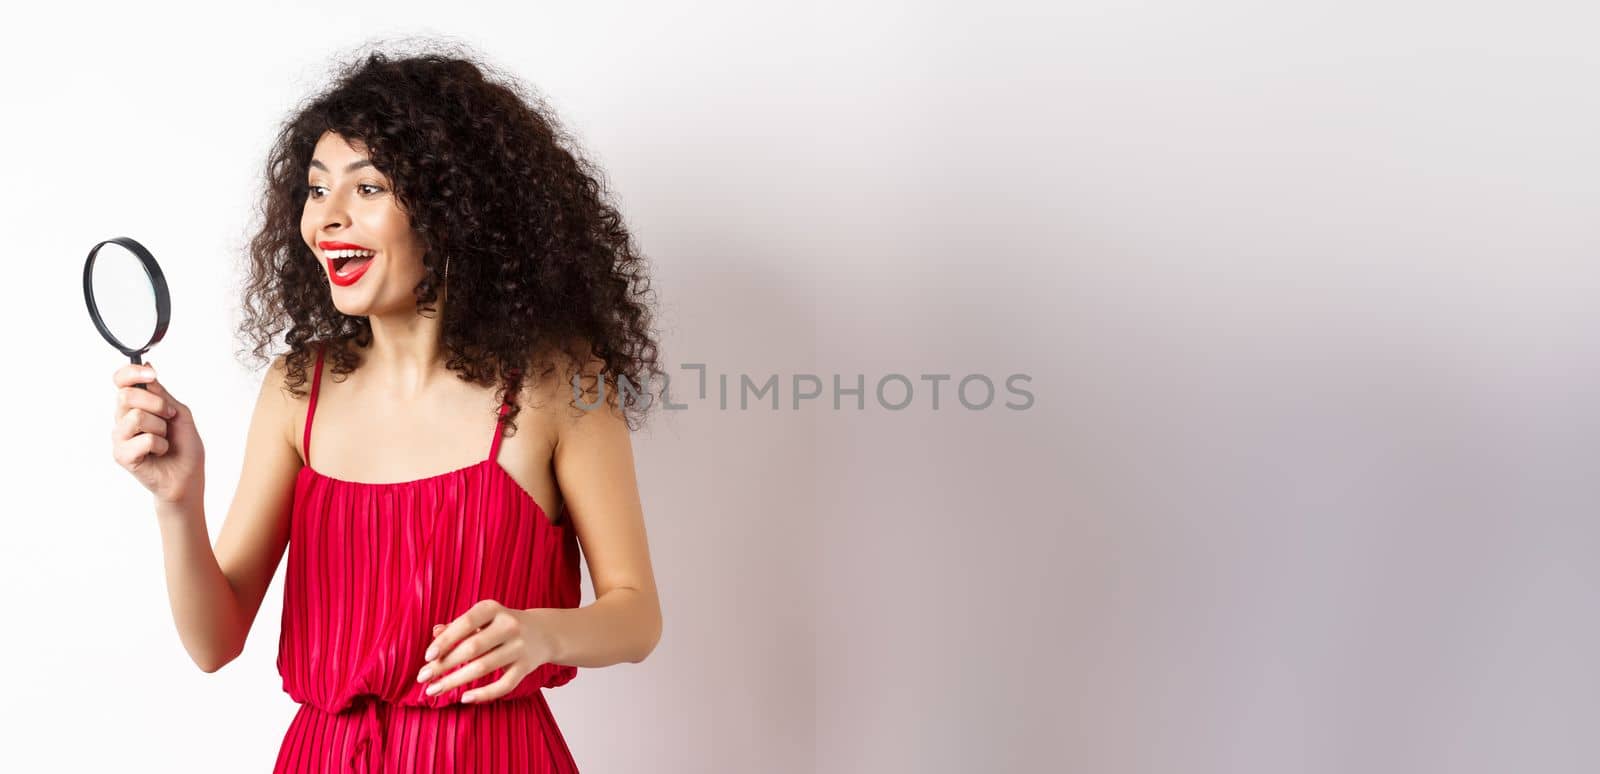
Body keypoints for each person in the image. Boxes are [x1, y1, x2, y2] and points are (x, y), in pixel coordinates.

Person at [108, 46, 664, 772]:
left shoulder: (557, 384)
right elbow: (214, 643)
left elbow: (637, 614)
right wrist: (178, 501)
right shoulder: (296, 391)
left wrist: (544, 634)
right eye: (315, 190)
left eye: (367, 189)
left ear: (451, 207)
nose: (328, 219)